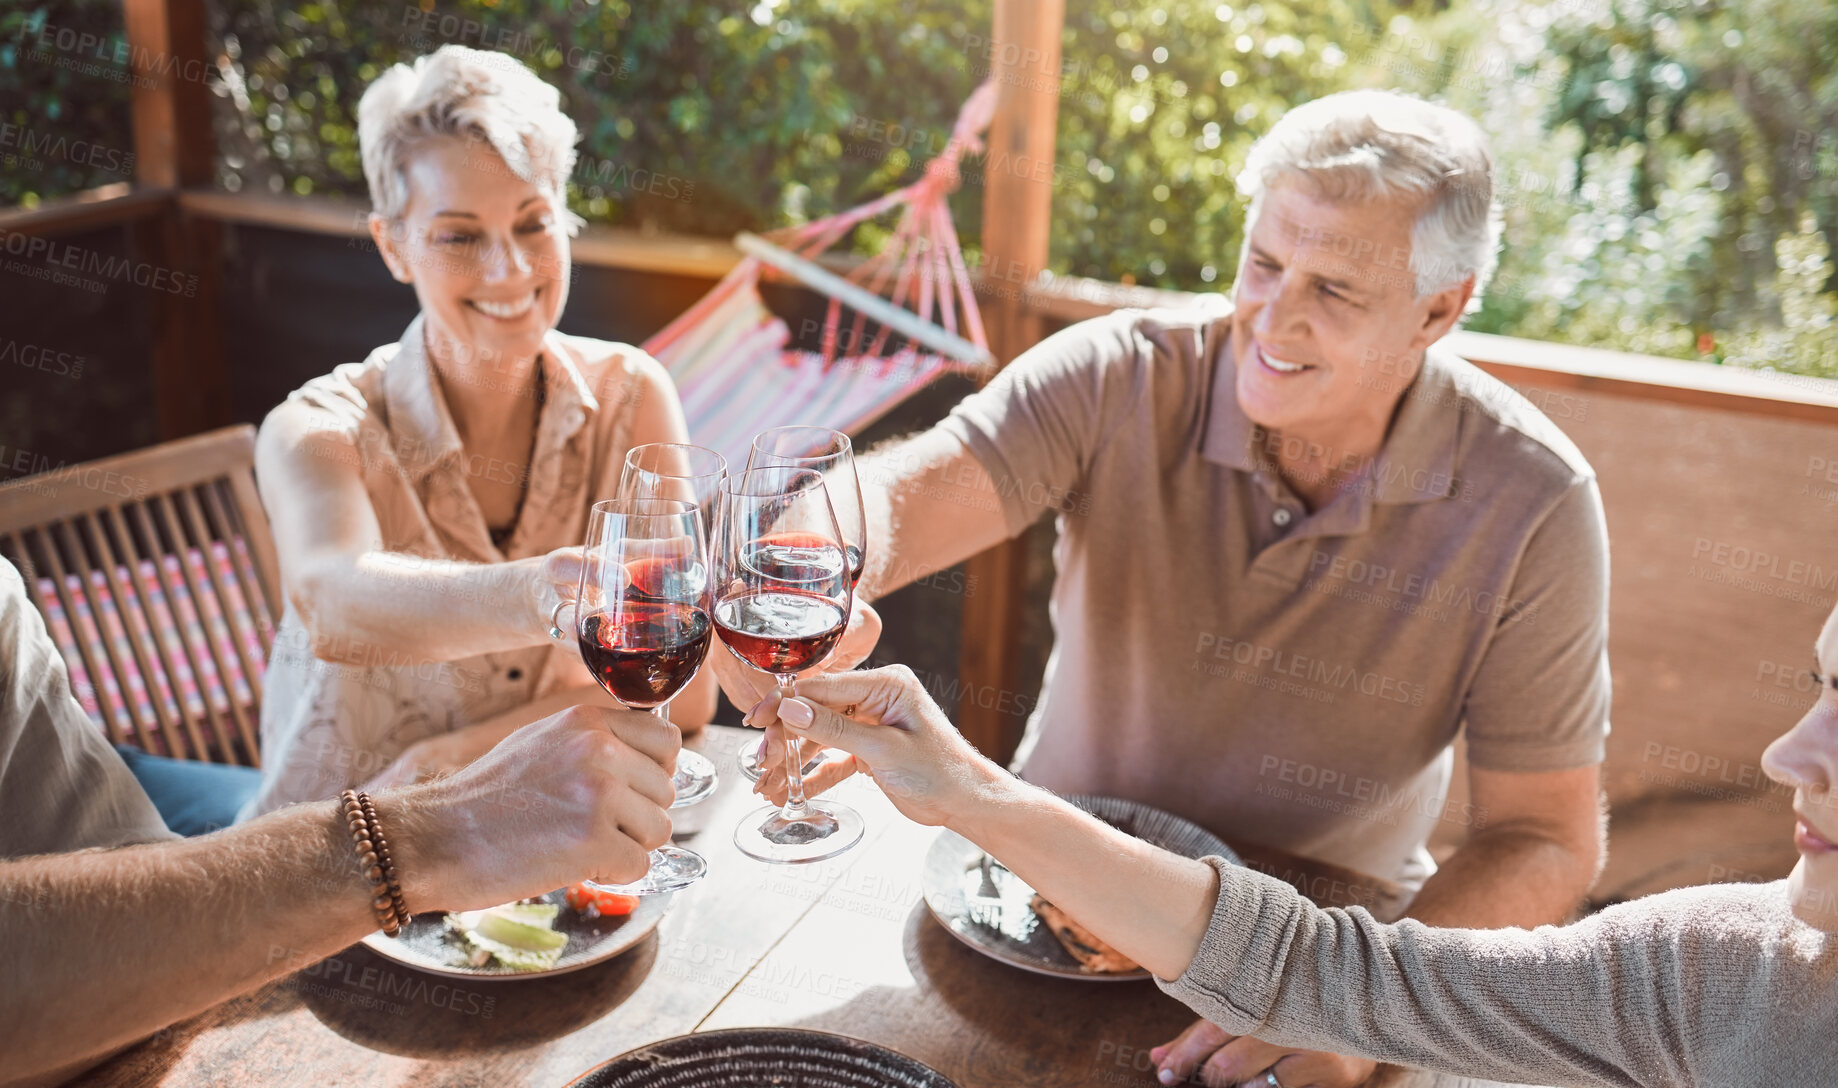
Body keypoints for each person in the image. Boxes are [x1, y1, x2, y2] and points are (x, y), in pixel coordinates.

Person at [733, 89, 1611, 1088]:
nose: (1272, 317)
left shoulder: (1534, 498)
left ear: (1438, 307)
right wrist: (805, 557)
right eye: (1265, 262)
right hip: (1034, 908)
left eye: (1333, 290)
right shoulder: (1119, 374)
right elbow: (902, 488)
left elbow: (1542, 836)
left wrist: (1368, 1012)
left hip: (1321, 962)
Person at [757, 596, 1838, 1088]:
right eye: (1818, 686)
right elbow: (1321, 969)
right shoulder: (1718, 970)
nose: (1788, 752)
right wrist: (970, 794)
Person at [244, 45, 714, 819]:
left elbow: (684, 701)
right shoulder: (316, 428)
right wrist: (540, 592)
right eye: (459, 236)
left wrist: (452, 760)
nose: (508, 270)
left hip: (539, 852)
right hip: (324, 864)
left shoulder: (633, 397)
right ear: (393, 245)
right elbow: (334, 600)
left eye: (533, 224)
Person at [0, 556, 680, 1088]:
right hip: (289, 802)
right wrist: (434, 831)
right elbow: (330, 601)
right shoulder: (325, 424)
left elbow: (134, 941)